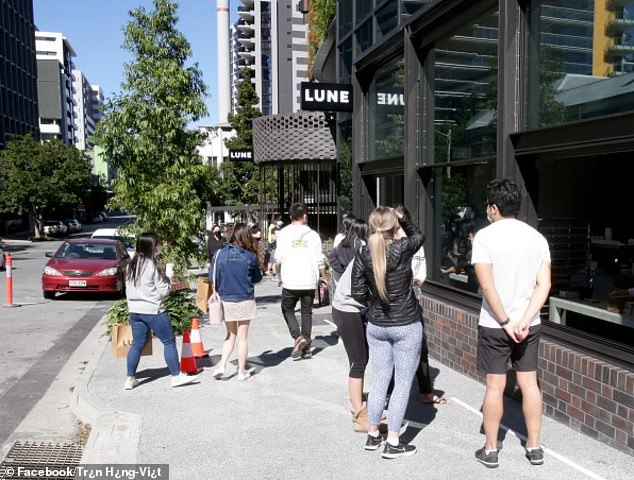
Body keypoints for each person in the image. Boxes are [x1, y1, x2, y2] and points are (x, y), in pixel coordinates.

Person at [471, 178, 551, 468]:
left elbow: (487, 286)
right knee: (530, 384)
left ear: (494, 207)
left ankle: (491, 449)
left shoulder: (485, 237)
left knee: (495, 386)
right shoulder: (537, 238)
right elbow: (545, 285)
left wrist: (505, 322)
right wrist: (524, 320)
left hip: (495, 324)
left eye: (488, 207)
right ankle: (534, 447)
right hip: (528, 324)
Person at [351, 206, 424, 459]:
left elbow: (357, 293)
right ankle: (393, 441)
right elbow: (419, 237)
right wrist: (404, 217)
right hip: (405, 323)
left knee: (380, 377)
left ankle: (373, 434)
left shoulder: (363, 252)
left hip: (377, 325)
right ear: (394, 227)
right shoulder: (402, 249)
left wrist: (374, 303)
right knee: (402, 383)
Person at [124, 232, 199, 390]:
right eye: (158, 244)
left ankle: (130, 378)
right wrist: (168, 278)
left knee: (137, 344)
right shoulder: (152, 265)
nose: (160, 247)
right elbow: (164, 291)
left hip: (135, 310)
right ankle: (176, 376)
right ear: (152, 246)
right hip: (153, 310)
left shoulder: (132, 264)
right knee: (169, 341)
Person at [394, 205, 449, 406]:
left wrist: (414, 280)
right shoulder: (387, 243)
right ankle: (385, 399)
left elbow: (421, 273)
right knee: (391, 354)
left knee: (421, 348)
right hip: (393, 308)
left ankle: (426, 391)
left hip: (413, 303)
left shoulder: (415, 244)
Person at [211, 223, 263, 381]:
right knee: (243, 337)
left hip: (226, 299)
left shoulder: (219, 254)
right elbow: (257, 278)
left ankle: (222, 365)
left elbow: (213, 276)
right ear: (247, 236)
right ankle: (241, 372)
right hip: (245, 299)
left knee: (230, 335)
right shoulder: (250, 256)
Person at [330, 220, 369, 432]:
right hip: (347, 308)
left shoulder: (368, 251)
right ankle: (358, 413)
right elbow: (361, 290)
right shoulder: (369, 255)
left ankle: (357, 399)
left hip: (349, 307)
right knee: (359, 360)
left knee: (361, 358)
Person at [274, 203, 327, 360]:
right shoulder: (313, 235)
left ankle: (298, 337)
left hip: (291, 280)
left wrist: (277, 273)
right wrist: (323, 276)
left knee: (287, 308)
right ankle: (307, 347)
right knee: (306, 312)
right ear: (305, 216)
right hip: (309, 280)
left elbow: (278, 257)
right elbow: (320, 259)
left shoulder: (283, 234)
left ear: (290, 217)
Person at [328, 218, 366, 285]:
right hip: (354, 282)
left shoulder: (343, 242)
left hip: (341, 282)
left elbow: (332, 257)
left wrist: (341, 271)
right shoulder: (361, 243)